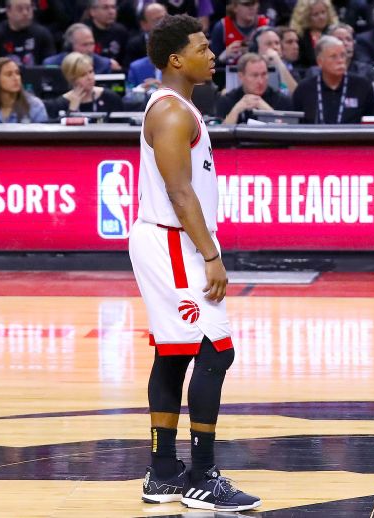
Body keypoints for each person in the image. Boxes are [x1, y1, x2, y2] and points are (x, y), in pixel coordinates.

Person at [134, 13, 261, 513]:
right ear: (175, 59)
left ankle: (163, 472)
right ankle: (202, 477)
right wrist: (210, 254)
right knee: (216, 349)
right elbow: (179, 191)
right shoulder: (170, 112)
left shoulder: (181, 106)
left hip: (171, 239)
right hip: (172, 242)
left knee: (174, 353)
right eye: (203, 48)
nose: (213, 55)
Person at [291, 35, 374, 122]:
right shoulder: (304, 89)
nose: (340, 61)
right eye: (333, 56)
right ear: (320, 62)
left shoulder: (363, 86)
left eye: (343, 55)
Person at [217, 53, 293, 123]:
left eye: (264, 74)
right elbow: (220, 133)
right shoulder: (227, 100)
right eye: (255, 75)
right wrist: (236, 111)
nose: (260, 81)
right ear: (241, 76)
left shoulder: (282, 100)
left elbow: (288, 133)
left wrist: (268, 112)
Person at [46, 52, 126, 117]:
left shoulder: (110, 98)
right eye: (83, 75)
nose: (90, 77)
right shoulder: (60, 104)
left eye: (91, 72)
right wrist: (72, 110)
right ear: (71, 78)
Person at [0, 0, 57, 66]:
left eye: (28, 8)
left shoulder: (43, 34)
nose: (25, 13)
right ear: (8, 12)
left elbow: (49, 67)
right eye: (20, 9)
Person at [209, 0, 268, 65]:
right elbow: (212, 64)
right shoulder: (222, 27)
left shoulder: (265, 25)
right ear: (235, 7)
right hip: (229, 72)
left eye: (254, 3)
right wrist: (224, 56)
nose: (251, 8)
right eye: (246, 4)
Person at [44, 23, 119, 73]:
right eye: (85, 45)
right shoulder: (52, 65)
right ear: (70, 47)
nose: (90, 49)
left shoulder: (104, 65)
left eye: (91, 44)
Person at [289, 0, 337, 69]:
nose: (321, 17)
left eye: (323, 12)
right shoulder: (300, 37)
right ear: (306, 17)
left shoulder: (335, 33)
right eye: (315, 14)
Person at [86, 0, 131, 65]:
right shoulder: (84, 32)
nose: (111, 12)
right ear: (92, 11)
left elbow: (126, 62)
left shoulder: (121, 32)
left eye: (113, 7)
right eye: (105, 7)